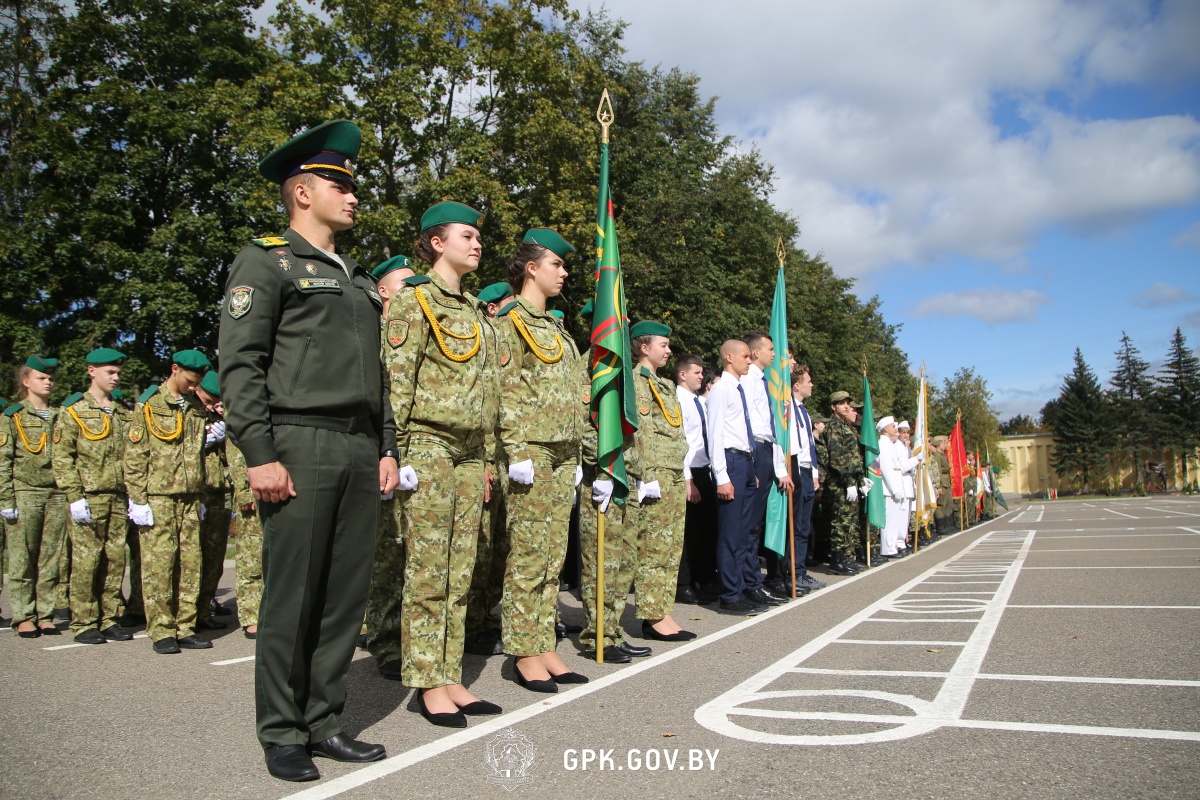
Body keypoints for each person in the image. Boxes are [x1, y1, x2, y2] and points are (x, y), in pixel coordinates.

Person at [219, 120, 396, 780]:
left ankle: (325, 721)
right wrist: (259, 451)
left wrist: (384, 446)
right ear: (301, 192)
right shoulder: (266, 262)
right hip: (298, 443)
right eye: (338, 183)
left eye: (353, 184)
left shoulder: (353, 280)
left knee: (343, 599)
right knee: (293, 597)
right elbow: (241, 364)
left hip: (356, 449)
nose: (352, 195)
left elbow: (375, 378)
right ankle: (283, 730)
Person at [387, 200, 501, 726]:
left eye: (478, 237)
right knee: (429, 570)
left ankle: (450, 675)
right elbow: (395, 381)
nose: (476, 244)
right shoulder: (413, 301)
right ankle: (427, 682)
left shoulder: (476, 309)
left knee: (460, 570)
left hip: (470, 451)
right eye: (466, 236)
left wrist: (487, 462)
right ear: (437, 243)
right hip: (427, 446)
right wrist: (396, 451)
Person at [496, 227, 588, 691]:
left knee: (553, 555)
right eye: (557, 264)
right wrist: (514, 450)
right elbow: (504, 388)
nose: (564, 272)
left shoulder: (555, 327)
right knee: (529, 555)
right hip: (530, 450)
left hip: (561, 451)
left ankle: (544, 643)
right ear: (531, 268)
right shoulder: (509, 320)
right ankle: (523, 651)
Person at [124, 349, 212, 653]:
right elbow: (135, 456)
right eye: (190, 380)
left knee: (190, 564)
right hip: (158, 497)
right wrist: (138, 499)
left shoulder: (195, 407)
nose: (193, 386)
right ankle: (161, 629)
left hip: (189, 497)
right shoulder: (149, 405)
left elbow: (198, 453)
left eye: (197, 382)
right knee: (159, 566)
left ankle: (185, 626)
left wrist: (199, 494)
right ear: (174, 370)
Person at [576, 300, 648, 664]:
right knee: (600, 561)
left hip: (628, 472)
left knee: (624, 561)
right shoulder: (593, 362)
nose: (627, 327)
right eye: (620, 320)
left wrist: (641, 471)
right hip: (603, 474)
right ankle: (598, 636)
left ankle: (614, 629)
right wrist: (601, 466)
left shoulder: (624, 369)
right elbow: (585, 421)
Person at [52, 348, 134, 645]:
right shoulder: (74, 410)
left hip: (118, 496)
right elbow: (62, 456)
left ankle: (109, 617)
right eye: (110, 372)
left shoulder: (123, 410)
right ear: (92, 371)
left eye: (118, 373)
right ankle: (84, 621)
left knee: (114, 559)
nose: (115, 377)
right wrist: (74, 495)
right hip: (89, 495)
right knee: (86, 561)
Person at [364, 254, 418, 678]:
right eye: (404, 282)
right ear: (383, 290)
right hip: (379, 453)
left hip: (413, 453)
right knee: (385, 551)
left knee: (409, 551)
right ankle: (384, 642)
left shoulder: (415, 325)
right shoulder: (369, 331)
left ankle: (410, 638)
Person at [628, 321, 693, 642]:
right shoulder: (638, 383)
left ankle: (663, 609)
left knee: (671, 546)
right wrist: (647, 474)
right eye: (663, 345)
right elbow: (641, 430)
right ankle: (652, 616)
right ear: (644, 348)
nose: (668, 351)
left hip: (673, 471)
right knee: (654, 545)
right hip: (655, 474)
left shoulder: (664, 384)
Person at [463, 279, 516, 657]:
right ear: (494, 309)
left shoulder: (504, 345)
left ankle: (487, 614)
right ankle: (473, 622)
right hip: (482, 456)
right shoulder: (482, 346)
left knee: (500, 544)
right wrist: (483, 461)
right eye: (509, 306)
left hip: (505, 459)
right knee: (479, 547)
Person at [1, 356, 67, 637]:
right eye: (42, 378)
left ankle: (46, 614)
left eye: (51, 378)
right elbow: (3, 460)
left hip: (56, 494)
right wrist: (6, 501)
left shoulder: (61, 415)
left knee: (51, 558)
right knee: (22, 557)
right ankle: (23, 615)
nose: (48, 382)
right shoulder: (13, 416)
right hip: (25, 492)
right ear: (26, 382)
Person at [706, 339, 767, 615]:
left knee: (744, 532)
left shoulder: (738, 389)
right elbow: (715, 434)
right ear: (729, 357)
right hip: (730, 461)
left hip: (745, 461)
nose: (750, 360)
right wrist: (721, 476)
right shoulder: (721, 389)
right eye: (745, 356)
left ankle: (740, 588)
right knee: (731, 533)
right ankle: (729, 594)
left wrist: (751, 470)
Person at [765, 365, 827, 596]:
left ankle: (799, 571)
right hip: (791, 468)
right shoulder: (786, 408)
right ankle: (786, 573)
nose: (812, 385)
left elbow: (808, 445)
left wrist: (814, 472)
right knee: (791, 525)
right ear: (797, 384)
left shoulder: (803, 411)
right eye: (808, 381)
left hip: (805, 470)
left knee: (802, 527)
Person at [739, 332, 788, 607]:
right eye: (770, 349)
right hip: (755, 448)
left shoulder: (761, 380)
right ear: (755, 352)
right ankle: (749, 583)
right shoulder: (747, 380)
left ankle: (753, 581)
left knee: (755, 523)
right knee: (748, 524)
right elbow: (746, 420)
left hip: (766, 448)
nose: (774, 354)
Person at [674, 353, 718, 603]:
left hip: (705, 469)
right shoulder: (678, 400)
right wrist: (688, 479)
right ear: (683, 374)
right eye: (697, 373)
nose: (702, 377)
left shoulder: (698, 402)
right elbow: (682, 442)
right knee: (689, 533)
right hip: (689, 470)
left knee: (706, 530)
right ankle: (684, 583)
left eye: (702, 373)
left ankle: (703, 578)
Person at [193, 370, 231, 633]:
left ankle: (205, 608)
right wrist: (204, 439)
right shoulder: (192, 414)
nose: (211, 406)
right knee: (193, 556)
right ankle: (189, 613)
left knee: (215, 557)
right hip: (199, 491)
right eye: (208, 400)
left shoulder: (221, 417)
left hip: (221, 491)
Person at [821, 391, 867, 575]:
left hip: (850, 480)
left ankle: (848, 557)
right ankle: (837, 560)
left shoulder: (845, 426)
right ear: (833, 407)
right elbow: (838, 458)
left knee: (850, 521)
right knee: (840, 521)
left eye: (847, 403)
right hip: (839, 482)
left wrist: (860, 479)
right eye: (841, 403)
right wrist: (848, 481)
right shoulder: (834, 426)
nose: (846, 406)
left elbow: (854, 457)